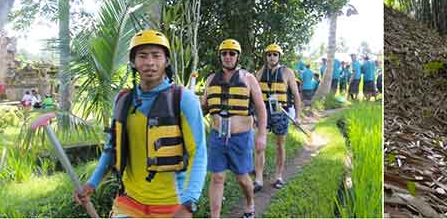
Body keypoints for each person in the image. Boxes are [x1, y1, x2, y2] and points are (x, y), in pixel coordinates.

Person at [74, 30, 206, 218]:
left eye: (156, 55)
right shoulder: (123, 100)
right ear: (133, 62)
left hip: (172, 204)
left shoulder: (184, 99)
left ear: (166, 61)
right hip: (129, 200)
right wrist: (92, 183)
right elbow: (112, 149)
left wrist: (189, 202)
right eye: (142, 56)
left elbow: (198, 152)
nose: (149, 62)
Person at [202, 39, 267, 219]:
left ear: (238, 56)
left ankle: (249, 203)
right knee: (217, 177)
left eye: (232, 53)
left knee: (242, 179)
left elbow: (261, 108)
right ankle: (215, 217)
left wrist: (261, 134)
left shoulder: (248, 78)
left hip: (241, 137)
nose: (228, 57)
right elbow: (204, 107)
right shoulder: (210, 80)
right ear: (220, 56)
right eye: (224, 53)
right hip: (217, 137)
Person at [254, 43, 302, 192]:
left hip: (281, 112)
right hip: (263, 112)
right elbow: (253, 94)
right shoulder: (260, 73)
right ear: (266, 56)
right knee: (260, 145)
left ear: (279, 56)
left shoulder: (287, 72)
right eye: (269, 54)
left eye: (275, 54)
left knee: (280, 145)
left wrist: (298, 116)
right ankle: (258, 178)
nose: (272, 57)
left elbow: (295, 95)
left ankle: (278, 176)